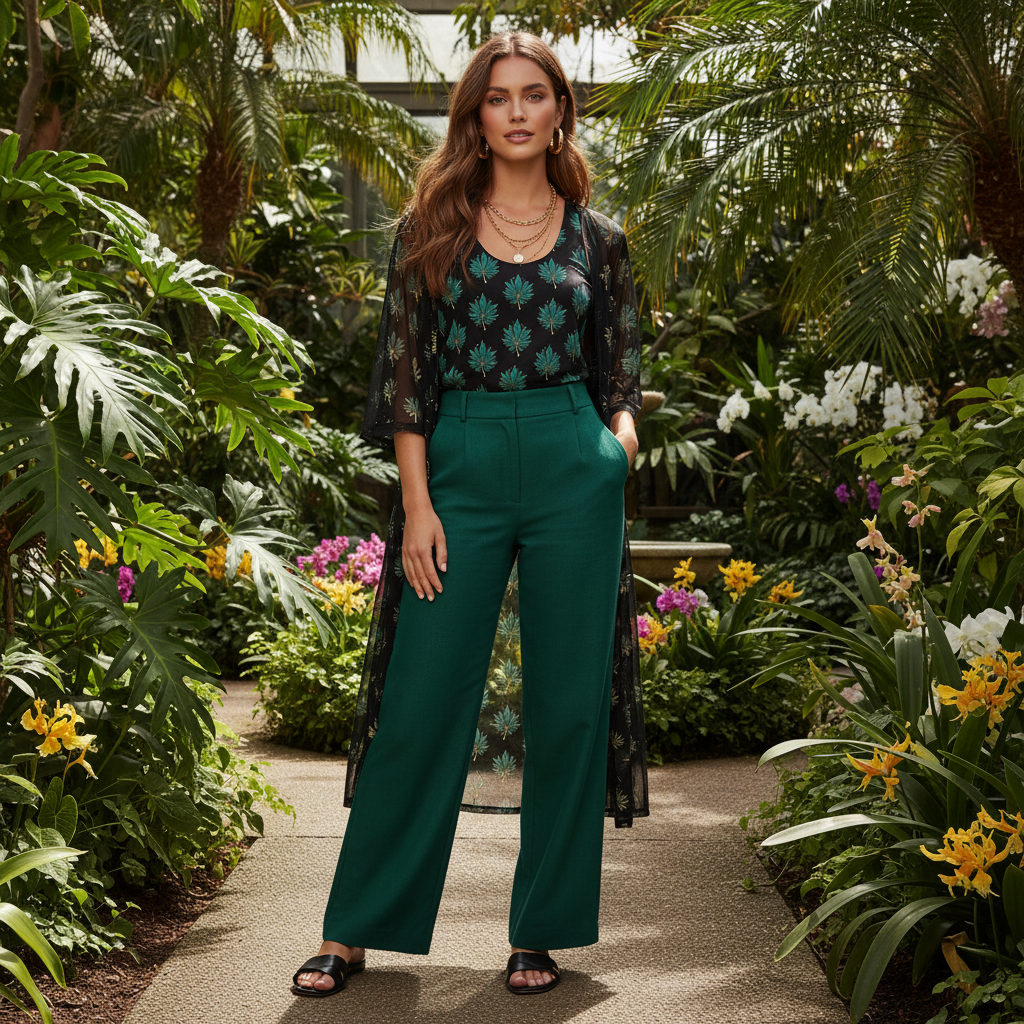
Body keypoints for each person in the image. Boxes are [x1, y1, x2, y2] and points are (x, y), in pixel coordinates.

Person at [291, 30, 648, 999]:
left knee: (569, 706)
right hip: (461, 467)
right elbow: (406, 381)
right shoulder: (431, 232)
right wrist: (417, 505)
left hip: (574, 463)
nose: (520, 111)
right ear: (476, 117)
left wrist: (616, 443)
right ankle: (354, 926)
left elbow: (622, 370)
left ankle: (541, 930)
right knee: (421, 699)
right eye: (500, 98)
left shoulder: (597, 240)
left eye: (536, 94)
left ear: (560, 110)